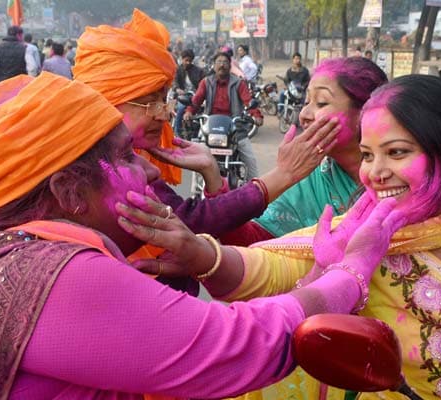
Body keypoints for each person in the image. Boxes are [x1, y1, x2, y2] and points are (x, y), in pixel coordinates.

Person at [0, 71, 404, 399]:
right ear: (68, 192)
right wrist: (349, 271)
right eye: (124, 157)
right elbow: (241, 344)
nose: (144, 167)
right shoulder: (61, 274)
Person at [156, 74, 441, 400]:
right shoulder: (364, 237)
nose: (375, 173)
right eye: (366, 154)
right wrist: (200, 255)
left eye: (397, 152)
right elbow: (267, 268)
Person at [72, 10, 339, 272]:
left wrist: (218, 164)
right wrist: (283, 174)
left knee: (247, 153)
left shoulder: (239, 83)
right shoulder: (95, 165)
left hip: (232, 128)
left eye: (322, 102)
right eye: (151, 102)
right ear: (108, 101)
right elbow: (194, 221)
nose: (165, 113)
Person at [223, 57, 388, 245]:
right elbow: (254, 245)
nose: (304, 115)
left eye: (322, 103)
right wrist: (216, 187)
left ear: (366, 113)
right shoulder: (308, 178)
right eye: (307, 102)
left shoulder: (403, 176)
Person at [184, 51, 262, 181]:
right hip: (210, 126)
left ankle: (253, 190)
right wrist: (189, 111)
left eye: (225, 62)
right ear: (213, 66)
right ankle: (196, 191)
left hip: (234, 127)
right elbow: (196, 100)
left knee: (250, 160)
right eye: (219, 62)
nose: (222, 65)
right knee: (197, 155)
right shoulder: (206, 82)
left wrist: (256, 115)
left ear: (230, 65)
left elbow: (248, 100)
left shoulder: (238, 83)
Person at [172, 48, 205, 136]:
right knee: (181, 108)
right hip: (182, 97)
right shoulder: (177, 70)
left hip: (196, 96)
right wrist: (177, 89)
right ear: (182, 59)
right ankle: (177, 132)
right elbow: (174, 81)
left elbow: (204, 82)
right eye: (186, 60)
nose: (188, 63)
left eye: (190, 61)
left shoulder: (198, 71)